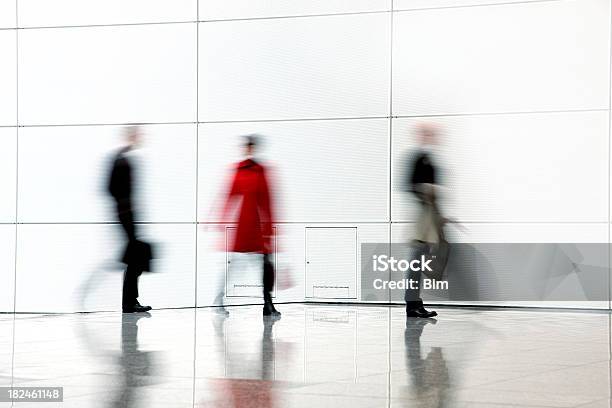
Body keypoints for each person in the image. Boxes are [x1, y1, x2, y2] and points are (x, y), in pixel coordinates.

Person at [222, 135, 280, 317]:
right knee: (236, 266)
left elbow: (268, 201)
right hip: (244, 226)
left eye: (251, 147)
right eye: (247, 147)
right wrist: (221, 219)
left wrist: (270, 229)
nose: (248, 150)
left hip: (258, 226)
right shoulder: (239, 170)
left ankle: (267, 304)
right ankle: (219, 300)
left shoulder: (261, 171)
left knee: (265, 266)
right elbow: (230, 196)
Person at [108, 126, 153, 313]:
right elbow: (110, 187)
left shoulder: (123, 158)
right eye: (137, 135)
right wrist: (126, 207)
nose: (140, 138)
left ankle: (130, 302)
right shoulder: (121, 160)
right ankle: (129, 303)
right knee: (135, 258)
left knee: (135, 258)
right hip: (126, 216)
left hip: (127, 215)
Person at [404, 124, 443, 318]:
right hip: (422, 216)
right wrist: (427, 190)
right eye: (428, 133)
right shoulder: (418, 158)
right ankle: (412, 305)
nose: (433, 137)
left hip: (428, 214)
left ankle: (414, 303)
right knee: (416, 262)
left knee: (419, 262)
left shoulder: (427, 157)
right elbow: (409, 185)